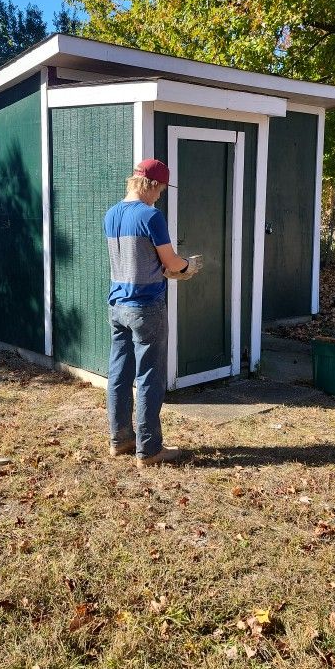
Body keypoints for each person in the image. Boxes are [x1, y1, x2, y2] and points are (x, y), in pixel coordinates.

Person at [103, 158, 202, 468]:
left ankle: (120, 440)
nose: (160, 195)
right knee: (150, 377)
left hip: (117, 305)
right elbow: (171, 262)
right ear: (152, 185)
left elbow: (137, 258)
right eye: (161, 189)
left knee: (119, 374)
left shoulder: (112, 214)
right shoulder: (151, 216)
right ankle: (149, 450)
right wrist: (188, 267)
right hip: (146, 307)